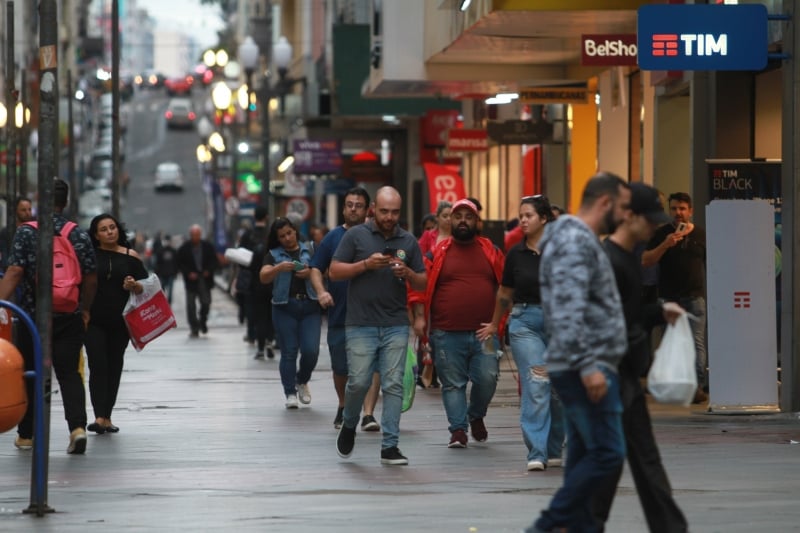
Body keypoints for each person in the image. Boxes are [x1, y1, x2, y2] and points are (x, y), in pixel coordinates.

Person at [524, 172, 630, 533]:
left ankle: (579, 527)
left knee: (585, 452)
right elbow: (567, 310)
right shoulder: (574, 240)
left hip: (583, 363)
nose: (625, 216)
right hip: (583, 365)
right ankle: (546, 526)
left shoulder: (575, 238)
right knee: (608, 452)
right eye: (623, 207)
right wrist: (588, 366)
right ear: (605, 203)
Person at [594, 182, 689, 533]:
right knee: (611, 464)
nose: (654, 227)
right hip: (610, 376)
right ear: (629, 216)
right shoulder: (610, 261)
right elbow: (601, 321)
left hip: (623, 376)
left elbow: (627, 316)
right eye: (650, 220)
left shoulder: (627, 257)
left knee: (637, 460)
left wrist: (658, 312)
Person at [0, 178, 97, 454]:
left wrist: (1, 302)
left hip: (32, 318)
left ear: (39, 201)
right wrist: (85, 308)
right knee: (69, 373)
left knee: (30, 371)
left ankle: (27, 434)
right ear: (65, 202)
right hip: (69, 313)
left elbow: (15, 272)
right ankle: (77, 428)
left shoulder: (26, 233)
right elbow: (91, 278)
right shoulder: (77, 234)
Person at [331, 186, 427, 466]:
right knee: (359, 381)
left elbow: (423, 282)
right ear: (373, 208)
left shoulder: (408, 240)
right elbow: (334, 272)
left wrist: (408, 273)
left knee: (393, 384)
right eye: (384, 211)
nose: (389, 217)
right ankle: (350, 423)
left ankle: (390, 445)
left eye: (395, 212)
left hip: (395, 322)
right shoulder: (355, 235)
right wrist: (365, 265)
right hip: (360, 323)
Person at [478, 195, 564, 471]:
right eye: (521, 216)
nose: (523, 221)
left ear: (544, 218)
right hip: (525, 321)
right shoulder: (515, 253)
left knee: (558, 388)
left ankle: (554, 447)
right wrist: (495, 324)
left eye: (529, 216)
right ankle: (536, 451)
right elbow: (505, 293)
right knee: (537, 382)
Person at [411, 198, 505, 449]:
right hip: (446, 333)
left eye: (468, 217)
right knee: (453, 384)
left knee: (488, 378)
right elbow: (419, 286)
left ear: (477, 222)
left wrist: (501, 322)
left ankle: (476, 415)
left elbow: (505, 287)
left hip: (485, 333)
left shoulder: (491, 250)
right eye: (458, 216)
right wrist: (419, 316)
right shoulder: (437, 253)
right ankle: (458, 430)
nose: (463, 221)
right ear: (450, 221)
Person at [310, 187, 383, 430]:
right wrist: (321, 292)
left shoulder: (377, 236)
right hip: (340, 313)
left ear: (367, 209)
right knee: (340, 367)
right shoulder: (332, 237)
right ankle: (343, 405)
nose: (353, 209)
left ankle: (368, 414)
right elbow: (315, 268)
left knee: (372, 366)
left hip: (372, 314)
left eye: (358, 205)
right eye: (349, 205)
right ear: (343, 209)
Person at [84, 213, 149, 434]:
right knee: (97, 365)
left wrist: (134, 285)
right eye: (103, 229)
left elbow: (145, 287)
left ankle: (107, 416)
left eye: (112, 227)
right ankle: (98, 416)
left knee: (114, 366)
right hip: (93, 320)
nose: (110, 232)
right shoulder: (89, 256)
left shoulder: (131, 256)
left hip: (121, 323)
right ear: (96, 235)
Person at [642, 192, 708, 404]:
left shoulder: (701, 234)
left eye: (682, 208)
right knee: (670, 343)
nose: (678, 213)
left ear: (691, 211)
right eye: (674, 208)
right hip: (668, 298)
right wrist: (665, 244)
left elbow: (713, 264)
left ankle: (697, 388)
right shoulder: (662, 234)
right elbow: (646, 260)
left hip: (694, 296)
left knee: (696, 343)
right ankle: (671, 386)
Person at [259, 217, 321, 408]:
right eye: (282, 236)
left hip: (310, 305)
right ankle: (290, 393)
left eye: (289, 233)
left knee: (311, 351)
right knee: (289, 351)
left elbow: (326, 269)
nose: (287, 238)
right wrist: (278, 268)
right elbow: (263, 276)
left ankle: (302, 380)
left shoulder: (310, 248)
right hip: (284, 307)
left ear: (295, 231)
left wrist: (310, 272)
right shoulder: (273, 254)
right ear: (277, 238)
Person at [239, 206, 275, 359]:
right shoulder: (272, 234)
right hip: (273, 281)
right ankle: (270, 341)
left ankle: (260, 348)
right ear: (266, 217)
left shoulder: (247, 235)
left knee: (260, 315)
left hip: (255, 282)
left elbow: (241, 259)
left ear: (254, 217)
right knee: (271, 314)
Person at [176, 224, 218, 338]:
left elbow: (214, 261)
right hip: (191, 280)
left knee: (206, 302)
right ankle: (194, 327)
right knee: (190, 305)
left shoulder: (208, 247)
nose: (195, 237)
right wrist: (188, 273)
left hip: (204, 278)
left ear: (200, 235)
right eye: (193, 235)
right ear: (190, 235)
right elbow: (179, 263)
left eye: (197, 235)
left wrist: (208, 271)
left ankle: (203, 320)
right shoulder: (184, 248)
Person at [0, 197, 34, 271]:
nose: (28, 213)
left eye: (29, 209)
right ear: (16, 211)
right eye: (23, 210)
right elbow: (5, 257)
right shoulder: (6, 231)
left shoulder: (35, 230)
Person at [153, 233, 178, 304]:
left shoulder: (173, 251)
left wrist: (175, 272)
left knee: (170, 292)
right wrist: (157, 272)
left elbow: (176, 263)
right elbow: (157, 263)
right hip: (162, 273)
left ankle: (168, 304)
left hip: (170, 273)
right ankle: (164, 303)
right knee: (163, 290)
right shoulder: (160, 251)